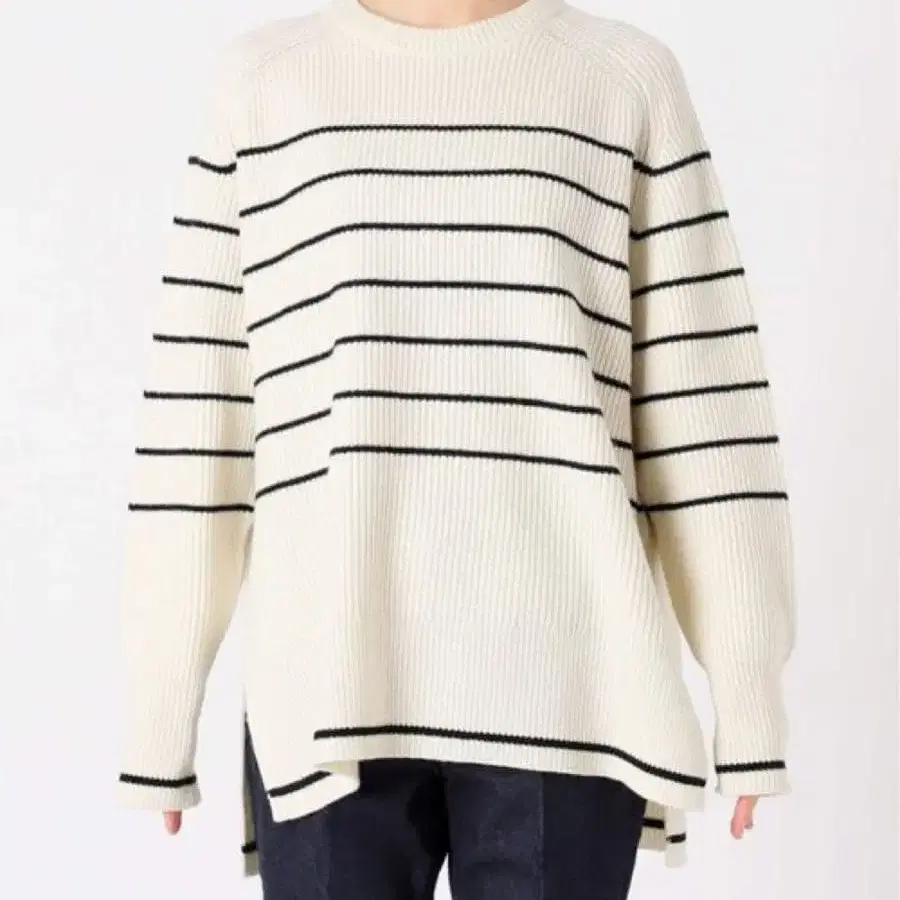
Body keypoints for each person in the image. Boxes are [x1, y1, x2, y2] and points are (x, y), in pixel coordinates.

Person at [115, 0, 796, 896]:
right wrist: (160, 708)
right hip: (327, 675)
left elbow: (703, 402)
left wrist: (748, 696)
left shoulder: (622, 78)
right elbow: (201, 407)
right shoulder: (264, 83)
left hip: (569, 679)